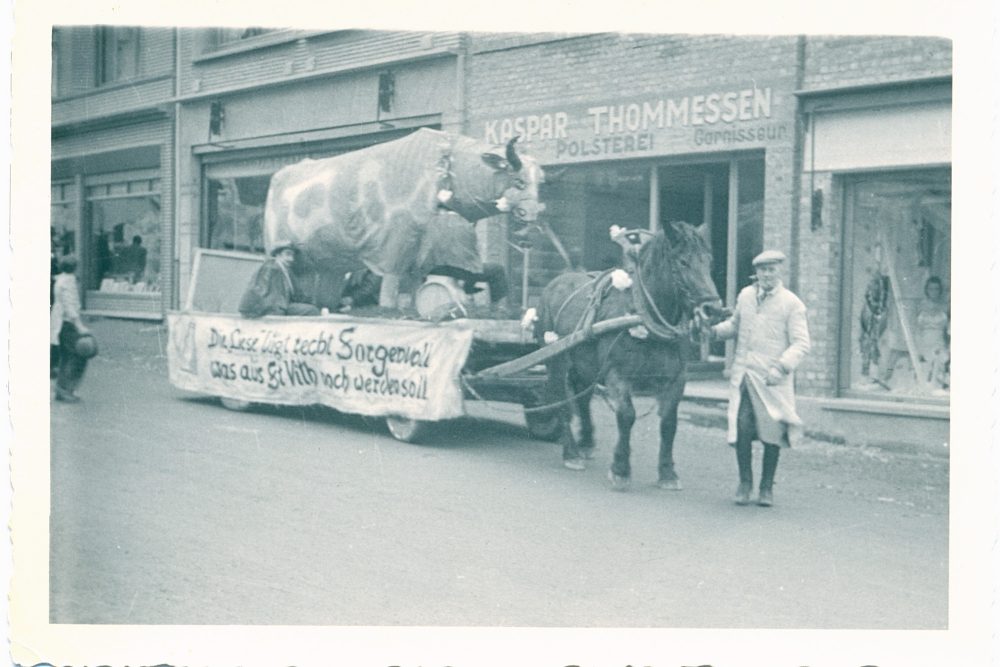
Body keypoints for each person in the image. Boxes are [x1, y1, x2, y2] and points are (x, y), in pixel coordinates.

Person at [706, 250, 811, 507]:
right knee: (742, 429)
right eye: (762, 270)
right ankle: (744, 483)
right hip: (745, 377)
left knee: (771, 434)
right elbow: (734, 325)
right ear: (756, 272)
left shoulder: (791, 303)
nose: (767, 274)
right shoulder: (746, 296)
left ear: (779, 271)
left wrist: (781, 367)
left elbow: (801, 343)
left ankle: (766, 487)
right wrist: (712, 332)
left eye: (771, 269)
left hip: (772, 381)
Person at [238, 241, 320, 318]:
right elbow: (266, 294)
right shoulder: (271, 268)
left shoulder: (286, 271)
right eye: (287, 254)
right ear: (278, 254)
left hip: (282, 306)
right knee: (311, 311)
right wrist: (277, 313)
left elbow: (296, 295)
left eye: (292, 256)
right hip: (271, 308)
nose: (291, 259)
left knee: (311, 310)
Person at [50, 256, 91, 402]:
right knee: (77, 354)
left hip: (60, 322)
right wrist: (79, 325)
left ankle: (62, 388)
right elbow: (69, 305)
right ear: (75, 267)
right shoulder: (68, 281)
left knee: (67, 356)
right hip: (67, 323)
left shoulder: (60, 279)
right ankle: (66, 389)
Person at [914, 276, 949, 389]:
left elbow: (949, 330)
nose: (933, 292)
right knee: (922, 374)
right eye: (931, 289)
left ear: (940, 290)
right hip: (923, 343)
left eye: (936, 289)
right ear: (926, 290)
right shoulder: (920, 305)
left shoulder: (946, 306)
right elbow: (916, 328)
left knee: (938, 373)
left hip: (939, 343)